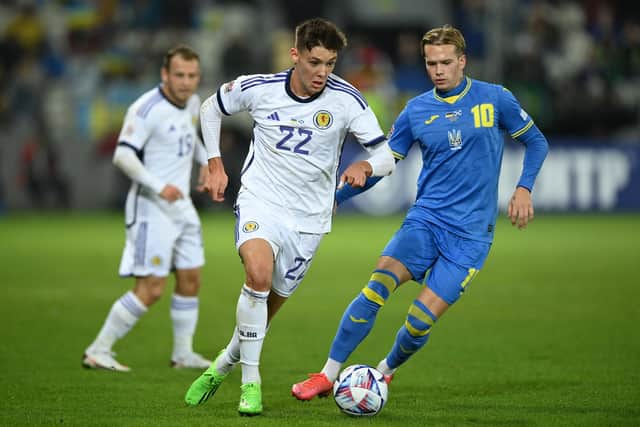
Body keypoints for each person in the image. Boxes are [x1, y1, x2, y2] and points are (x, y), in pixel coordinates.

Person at [291, 24, 550, 400]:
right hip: (425, 221)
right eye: (431, 63)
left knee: (419, 322)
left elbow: (536, 142)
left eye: (446, 62)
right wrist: (337, 199)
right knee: (376, 287)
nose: (438, 70)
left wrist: (524, 187)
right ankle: (327, 374)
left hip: (471, 236)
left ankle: (382, 373)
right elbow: (384, 165)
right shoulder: (416, 110)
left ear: (462, 61)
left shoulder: (496, 99)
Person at [183, 18, 396, 416]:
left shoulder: (346, 99)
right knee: (258, 276)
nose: (322, 73)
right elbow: (211, 107)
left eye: (330, 64)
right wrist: (214, 163)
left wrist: (366, 169)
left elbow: (385, 157)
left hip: (310, 219)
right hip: (261, 201)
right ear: (295, 54)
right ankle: (252, 384)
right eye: (315, 62)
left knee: (266, 308)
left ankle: (226, 362)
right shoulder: (259, 89)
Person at [82, 45, 211, 372]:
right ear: (164, 75)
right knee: (151, 289)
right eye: (179, 75)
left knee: (191, 278)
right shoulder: (145, 109)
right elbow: (122, 155)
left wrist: (207, 163)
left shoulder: (193, 103)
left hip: (182, 206)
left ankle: (183, 354)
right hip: (151, 209)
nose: (185, 82)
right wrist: (158, 185)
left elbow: (189, 138)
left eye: (192, 76)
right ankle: (99, 349)